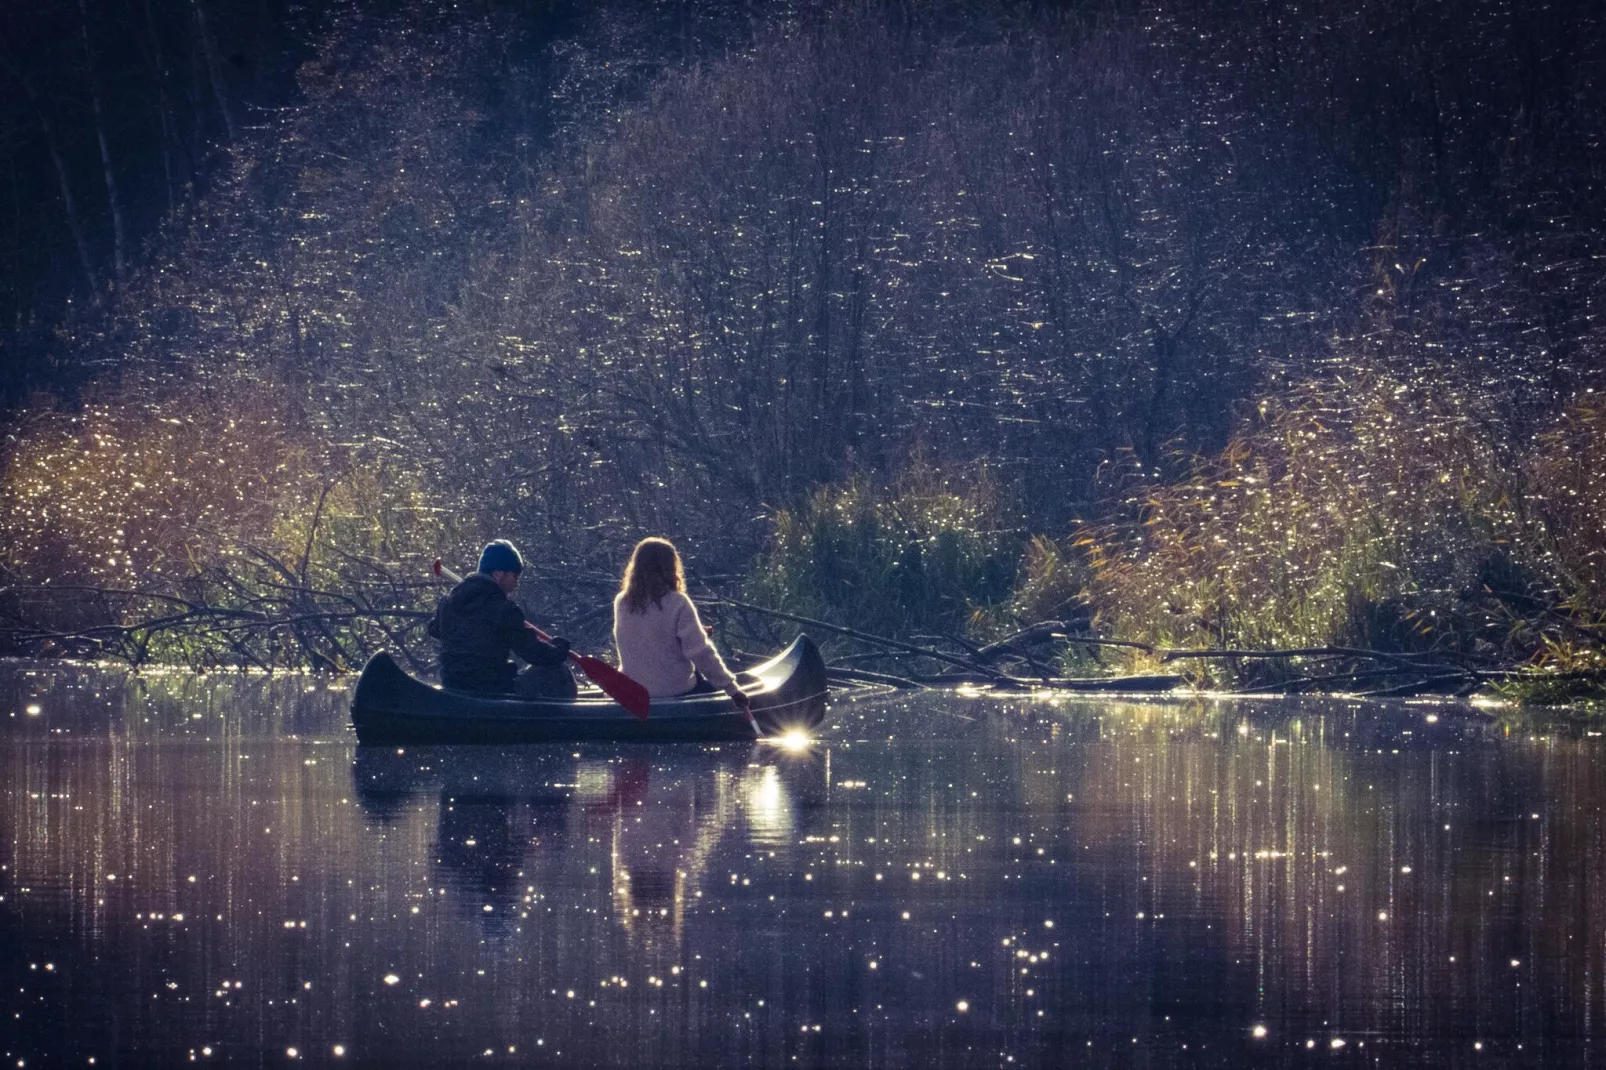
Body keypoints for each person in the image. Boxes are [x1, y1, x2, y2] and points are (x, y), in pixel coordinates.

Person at [612, 537, 750, 712]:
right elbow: (700, 652)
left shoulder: (622, 602)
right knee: (727, 683)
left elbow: (642, 642)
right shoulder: (678, 602)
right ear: (670, 567)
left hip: (633, 691)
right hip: (675, 690)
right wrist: (732, 690)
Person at [428, 539, 577, 699]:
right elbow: (534, 653)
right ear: (498, 574)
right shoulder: (503, 609)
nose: (516, 584)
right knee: (558, 671)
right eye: (514, 576)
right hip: (492, 691)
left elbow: (434, 629)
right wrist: (559, 650)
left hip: (453, 685)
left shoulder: (448, 602)